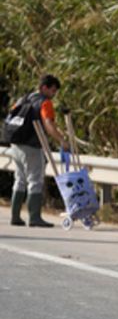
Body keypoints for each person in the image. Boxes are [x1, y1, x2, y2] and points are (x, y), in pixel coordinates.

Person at [7, 74, 66, 227]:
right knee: (35, 180)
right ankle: (34, 218)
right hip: (32, 146)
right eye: (53, 90)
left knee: (19, 179)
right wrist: (61, 140)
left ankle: (15, 216)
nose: (53, 94)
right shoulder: (44, 103)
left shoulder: (24, 98)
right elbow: (48, 124)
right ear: (44, 88)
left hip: (16, 144)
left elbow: (11, 116)